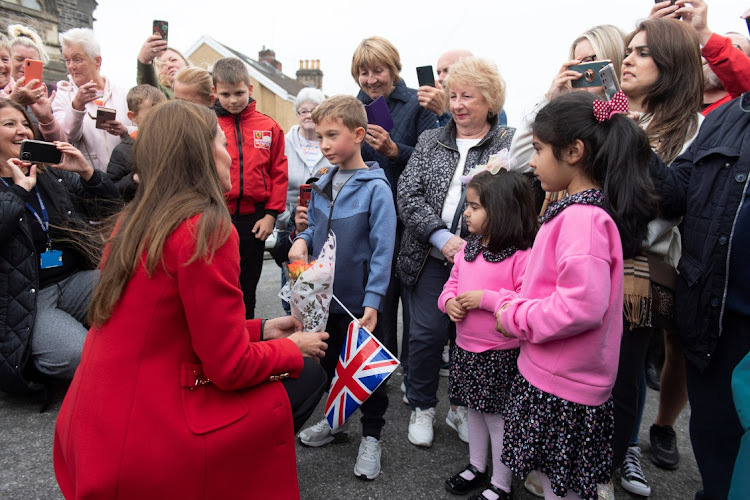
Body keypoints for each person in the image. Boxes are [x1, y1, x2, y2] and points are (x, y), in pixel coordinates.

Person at [52, 100, 329, 499]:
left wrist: (263, 329)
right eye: (220, 142)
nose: (229, 152)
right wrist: (289, 347)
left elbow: (173, 325)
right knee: (308, 374)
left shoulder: (136, 219)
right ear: (199, 153)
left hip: (92, 426)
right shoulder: (206, 228)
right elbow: (229, 367)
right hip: (150, 439)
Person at [494, 91, 658, 500]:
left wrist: (516, 316)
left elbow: (580, 306)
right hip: (560, 376)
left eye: (537, 149)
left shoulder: (583, 219)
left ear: (573, 151)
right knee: (557, 480)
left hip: (563, 384)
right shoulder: (576, 211)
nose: (531, 161)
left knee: (561, 486)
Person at [397, 57, 515, 448]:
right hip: (430, 254)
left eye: (469, 96)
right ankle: (423, 406)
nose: (459, 104)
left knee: (469, 338)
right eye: (454, 96)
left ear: (491, 101)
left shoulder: (508, 143)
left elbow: (515, 201)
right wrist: (441, 238)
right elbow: (408, 194)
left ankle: (461, 409)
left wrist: (475, 245)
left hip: (485, 261)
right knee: (427, 334)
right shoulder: (431, 139)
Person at [647, 88, 749, 500]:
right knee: (715, 434)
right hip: (717, 316)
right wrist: (624, 131)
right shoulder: (724, 118)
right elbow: (674, 192)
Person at [289, 95, 397, 481]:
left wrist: (373, 301)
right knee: (333, 365)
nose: (325, 145)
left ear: (359, 134)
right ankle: (336, 424)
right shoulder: (322, 183)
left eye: (332, 135)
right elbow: (318, 229)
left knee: (367, 373)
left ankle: (372, 436)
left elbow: (384, 250)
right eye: (320, 137)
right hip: (325, 302)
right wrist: (302, 238)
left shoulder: (376, 189)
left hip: (361, 306)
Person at [0, 99, 121, 396]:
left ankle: (103, 341)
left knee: (141, 282)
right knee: (74, 356)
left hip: (73, 280)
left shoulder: (50, 173)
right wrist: (17, 191)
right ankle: (39, 348)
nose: (21, 131)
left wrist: (86, 174)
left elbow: (110, 209)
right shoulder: (14, 186)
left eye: (24, 124)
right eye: (9, 124)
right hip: (27, 298)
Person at [439, 170, 536, 500]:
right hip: (465, 348)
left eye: (475, 206)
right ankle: (477, 466)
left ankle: (502, 483)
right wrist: (449, 302)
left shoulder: (521, 257)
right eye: (467, 205)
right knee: (473, 411)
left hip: (500, 352)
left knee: (498, 417)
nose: (466, 212)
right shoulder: (468, 250)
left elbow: (526, 300)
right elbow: (451, 285)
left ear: (503, 211)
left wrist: (487, 300)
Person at [352, 36, 438, 386]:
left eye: (378, 71)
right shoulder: (353, 107)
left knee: (414, 304)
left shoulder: (418, 103)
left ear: (394, 69)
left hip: (413, 218)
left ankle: (413, 378)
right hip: (372, 218)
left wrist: (393, 150)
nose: (371, 80)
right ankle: (380, 370)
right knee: (380, 300)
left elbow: (432, 161)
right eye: (363, 72)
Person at [212, 57, 288, 319]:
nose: (233, 100)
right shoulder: (207, 125)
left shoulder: (268, 126)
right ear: (214, 92)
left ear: (250, 89)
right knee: (217, 285)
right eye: (226, 94)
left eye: (239, 93)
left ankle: (247, 342)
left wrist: (271, 215)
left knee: (247, 286)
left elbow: (279, 172)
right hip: (216, 216)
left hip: (255, 220)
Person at [52, 28, 133, 172]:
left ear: (97, 61)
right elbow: (66, 138)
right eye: (67, 60)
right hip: (87, 183)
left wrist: (125, 130)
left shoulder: (123, 93)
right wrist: (76, 106)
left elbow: (142, 130)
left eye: (77, 59)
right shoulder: (63, 95)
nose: (71, 66)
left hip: (124, 179)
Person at [2, 28, 65, 143]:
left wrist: (46, 118)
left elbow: (62, 145)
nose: (24, 66)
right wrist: (13, 102)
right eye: (19, 59)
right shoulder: (4, 92)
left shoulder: (51, 93)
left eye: (31, 62)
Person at [106, 84, 166, 201]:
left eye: (164, 111)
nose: (160, 117)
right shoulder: (124, 151)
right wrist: (134, 179)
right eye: (153, 113)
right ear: (133, 116)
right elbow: (112, 191)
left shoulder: (174, 141)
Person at [136, 33, 190, 99]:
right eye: (162, 65)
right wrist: (144, 60)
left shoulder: (203, 80)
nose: (169, 65)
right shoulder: (162, 94)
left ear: (185, 62)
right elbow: (149, 86)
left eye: (173, 60)